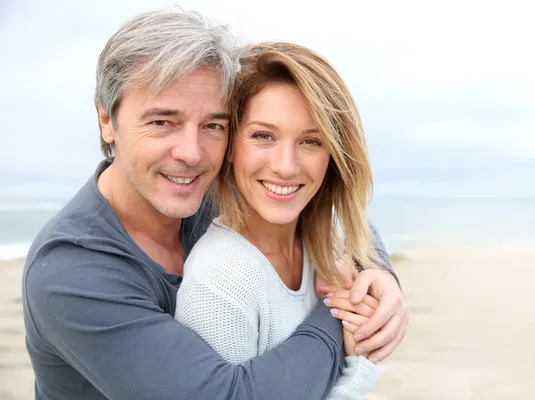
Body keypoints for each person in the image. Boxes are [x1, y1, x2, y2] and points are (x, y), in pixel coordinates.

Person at [22, 9, 408, 400]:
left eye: (213, 126)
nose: (191, 154)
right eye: (162, 122)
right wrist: (337, 311)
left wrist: (379, 273)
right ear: (108, 120)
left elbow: (322, 209)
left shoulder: (207, 187)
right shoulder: (70, 271)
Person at [175, 41, 390, 399]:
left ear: (334, 156)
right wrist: (359, 367)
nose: (286, 166)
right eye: (264, 136)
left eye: (311, 141)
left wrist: (381, 280)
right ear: (231, 145)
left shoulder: (330, 243)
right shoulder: (221, 280)